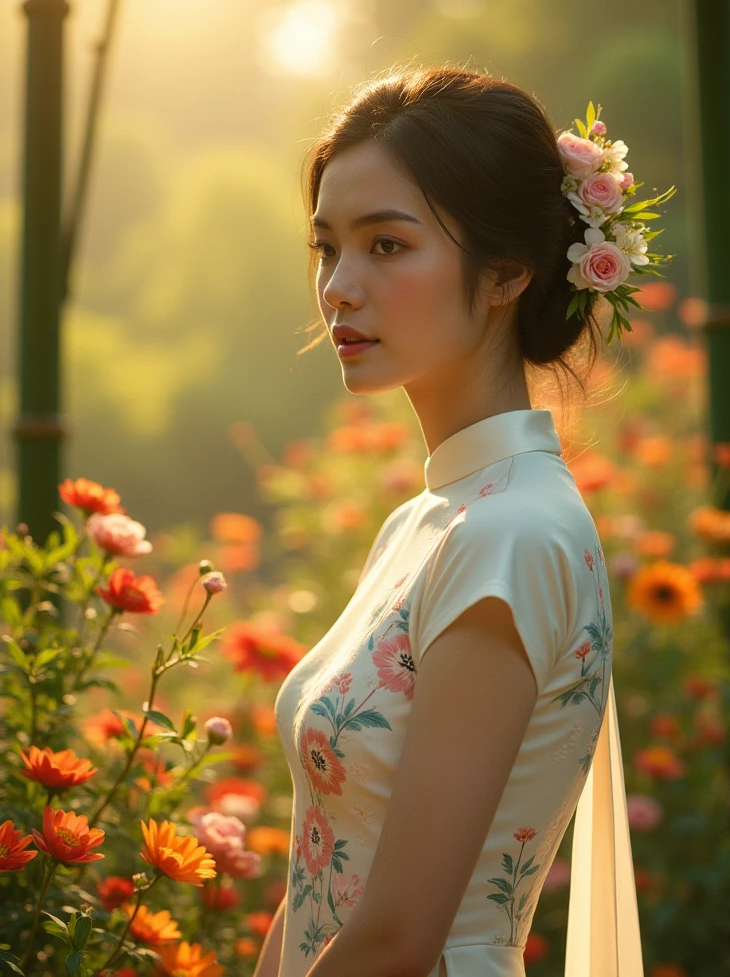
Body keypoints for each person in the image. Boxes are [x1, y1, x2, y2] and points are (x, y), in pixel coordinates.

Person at [254, 63, 644, 977]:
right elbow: (323, 873)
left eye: (386, 246)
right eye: (327, 249)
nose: (340, 288)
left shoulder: (510, 534)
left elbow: (397, 942)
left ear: (507, 272)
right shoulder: (431, 521)